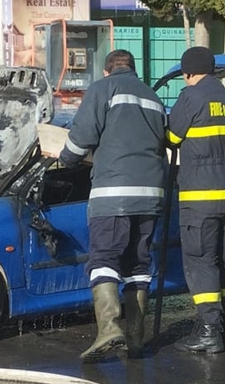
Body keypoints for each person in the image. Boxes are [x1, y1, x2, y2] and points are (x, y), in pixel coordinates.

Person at [43, 49, 168, 361]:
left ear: (108, 70)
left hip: (114, 192)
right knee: (139, 264)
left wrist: (65, 159)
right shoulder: (153, 97)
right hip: (151, 195)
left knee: (103, 258)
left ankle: (110, 328)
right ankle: (137, 338)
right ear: (134, 69)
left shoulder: (103, 89)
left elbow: (81, 137)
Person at [165, 46, 225, 354]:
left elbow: (172, 138)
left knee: (201, 263)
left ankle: (210, 331)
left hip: (201, 198)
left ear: (188, 73)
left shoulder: (191, 97)